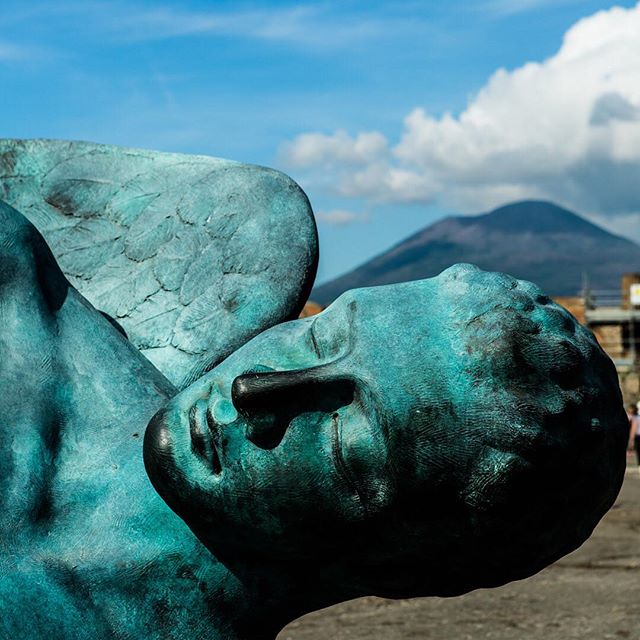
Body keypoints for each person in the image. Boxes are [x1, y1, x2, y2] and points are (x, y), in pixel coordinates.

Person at [0, 199, 628, 639]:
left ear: (398, 569)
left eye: (345, 449)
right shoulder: (17, 283)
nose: (254, 391)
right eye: (318, 338)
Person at [628, 404, 640, 472]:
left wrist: (631, 439)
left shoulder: (635, 418)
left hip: (638, 436)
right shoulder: (638, 417)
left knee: (638, 451)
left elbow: (633, 429)